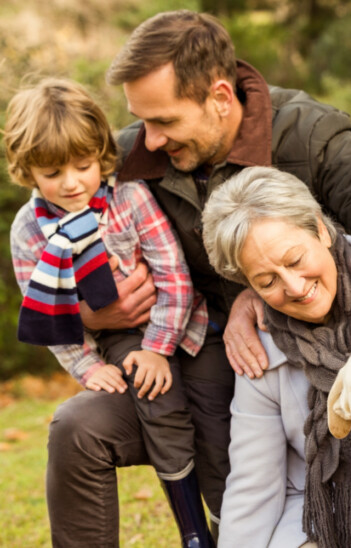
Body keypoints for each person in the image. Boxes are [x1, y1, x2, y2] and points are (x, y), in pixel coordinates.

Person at [45, 10, 351, 543]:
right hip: (183, 365)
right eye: (141, 119)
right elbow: (53, 241)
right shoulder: (134, 157)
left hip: (280, 363)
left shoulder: (308, 135)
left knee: (263, 482)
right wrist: (88, 310)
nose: (147, 140)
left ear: (221, 97)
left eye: (166, 122)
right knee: (79, 430)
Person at [4, 78, 213, 546]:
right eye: (53, 172)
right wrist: (87, 365)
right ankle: (193, 533)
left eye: (83, 165)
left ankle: (219, 527)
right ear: (27, 171)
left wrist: (159, 347)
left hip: (186, 328)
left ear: (102, 154)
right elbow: (49, 314)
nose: (72, 183)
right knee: (150, 395)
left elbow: (174, 276)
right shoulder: (30, 232)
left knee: (196, 414)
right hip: (119, 345)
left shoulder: (129, 197)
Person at [200, 166, 351, 547]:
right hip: (317, 513)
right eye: (267, 281)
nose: (294, 287)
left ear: (320, 229)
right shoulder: (260, 348)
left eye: (294, 260)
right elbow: (253, 486)